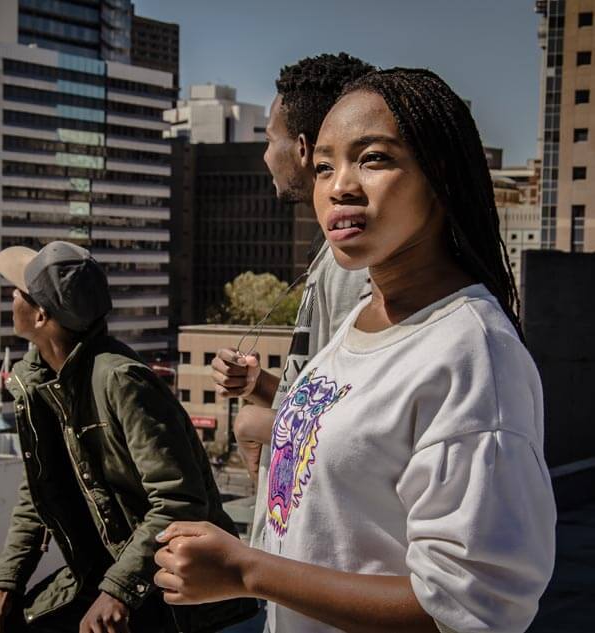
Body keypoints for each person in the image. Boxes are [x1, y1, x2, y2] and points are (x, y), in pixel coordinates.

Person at [154, 68, 556, 633]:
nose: (339, 184)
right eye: (323, 166)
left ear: (440, 174)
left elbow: (472, 609)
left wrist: (248, 571)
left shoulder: (471, 353)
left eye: (372, 159)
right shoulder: (366, 312)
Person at [0, 241, 257, 633]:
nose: (11, 296)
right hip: (100, 579)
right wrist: (6, 585)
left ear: (41, 316)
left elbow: (179, 503)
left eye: (19, 293)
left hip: (171, 600)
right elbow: (38, 496)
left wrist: (117, 591)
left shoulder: (122, 382)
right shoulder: (40, 384)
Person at [210, 54, 373, 545]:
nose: (264, 155)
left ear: (302, 148)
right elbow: (324, 394)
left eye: (267, 138)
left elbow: (358, 419)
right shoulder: (333, 255)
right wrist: (262, 386)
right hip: (295, 553)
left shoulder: (353, 265)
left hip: (319, 554)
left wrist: (264, 424)